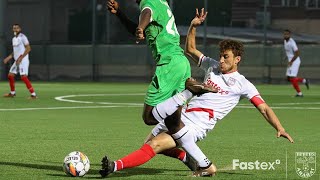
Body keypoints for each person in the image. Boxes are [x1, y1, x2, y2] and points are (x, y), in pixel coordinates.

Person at [99, 8, 294, 178]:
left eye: (226, 57)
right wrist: (193, 26)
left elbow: (264, 108)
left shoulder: (243, 84)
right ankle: (187, 157)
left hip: (198, 124)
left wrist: (280, 127)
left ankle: (114, 166)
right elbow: (190, 49)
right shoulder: (213, 66)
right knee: (149, 143)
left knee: (155, 145)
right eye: (221, 56)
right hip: (183, 113)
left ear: (237, 59)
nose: (221, 60)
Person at [101, 0, 217, 177]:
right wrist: (120, 14)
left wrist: (141, 26)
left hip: (169, 65)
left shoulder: (149, 2)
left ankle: (190, 90)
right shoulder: (161, 3)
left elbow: (146, 13)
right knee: (174, 126)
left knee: (148, 117)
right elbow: (139, 28)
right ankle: (199, 162)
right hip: (180, 64)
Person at [3, 24, 37, 99]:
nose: (15, 29)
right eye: (14, 28)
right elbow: (15, 51)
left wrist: (21, 58)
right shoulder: (13, 39)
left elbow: (28, 48)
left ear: (20, 29)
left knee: (23, 77)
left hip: (23, 59)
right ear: (12, 30)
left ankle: (33, 95)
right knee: (10, 75)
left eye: (17, 28)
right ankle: (12, 93)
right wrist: (9, 57)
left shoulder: (23, 37)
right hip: (17, 59)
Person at [283, 29, 309, 97]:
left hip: (295, 61)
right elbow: (289, 52)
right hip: (290, 61)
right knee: (288, 78)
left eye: (287, 34)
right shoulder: (285, 41)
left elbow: (297, 53)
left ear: (289, 35)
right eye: (284, 34)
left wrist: (291, 61)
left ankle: (299, 93)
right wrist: (286, 57)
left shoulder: (292, 42)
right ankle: (304, 80)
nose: (285, 35)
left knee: (292, 78)